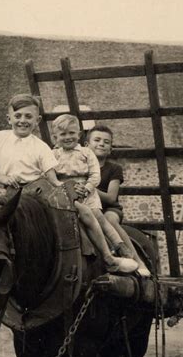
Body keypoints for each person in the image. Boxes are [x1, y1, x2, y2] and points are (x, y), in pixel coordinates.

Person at [52, 114, 138, 274]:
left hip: (86, 191)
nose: (68, 137)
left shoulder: (86, 153)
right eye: (63, 134)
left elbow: (95, 174)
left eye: (72, 133)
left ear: (78, 135)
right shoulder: (54, 154)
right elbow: (50, 174)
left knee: (98, 217)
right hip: (64, 193)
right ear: (55, 137)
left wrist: (87, 188)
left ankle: (118, 245)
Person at [86, 124, 151, 277]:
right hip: (89, 207)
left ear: (111, 149)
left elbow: (110, 197)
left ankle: (137, 260)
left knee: (110, 219)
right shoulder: (81, 166)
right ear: (86, 145)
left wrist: (89, 187)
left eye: (106, 142)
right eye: (97, 140)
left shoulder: (114, 169)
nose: (101, 143)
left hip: (109, 208)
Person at [0, 93, 62, 189]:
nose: (23, 120)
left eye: (28, 116)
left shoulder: (42, 147)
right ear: (9, 119)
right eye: (17, 116)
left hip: (32, 193)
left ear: (37, 120)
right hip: (8, 189)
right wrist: (6, 179)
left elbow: (54, 181)